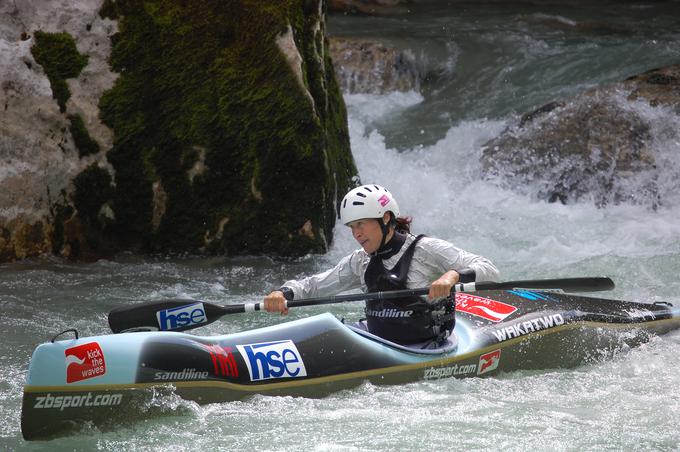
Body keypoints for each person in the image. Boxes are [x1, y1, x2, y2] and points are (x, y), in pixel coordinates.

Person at [264, 184, 500, 347]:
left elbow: (489, 269)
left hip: (425, 345)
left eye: (361, 224)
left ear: (386, 218)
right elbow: (315, 286)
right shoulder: (360, 261)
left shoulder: (426, 249)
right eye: (352, 227)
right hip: (376, 339)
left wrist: (452, 276)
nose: (356, 233)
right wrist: (283, 293)